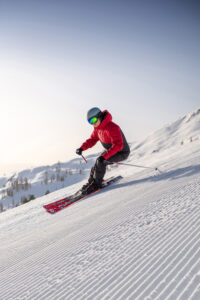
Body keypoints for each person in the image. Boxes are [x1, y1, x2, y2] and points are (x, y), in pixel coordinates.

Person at [76, 107, 130, 195]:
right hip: (112, 151)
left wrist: (104, 157)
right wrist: (82, 148)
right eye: (90, 122)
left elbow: (118, 145)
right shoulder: (98, 129)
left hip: (121, 152)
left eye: (94, 120)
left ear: (100, 116)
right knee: (98, 162)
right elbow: (92, 140)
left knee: (101, 161)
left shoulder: (113, 127)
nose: (93, 123)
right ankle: (91, 182)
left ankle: (96, 184)